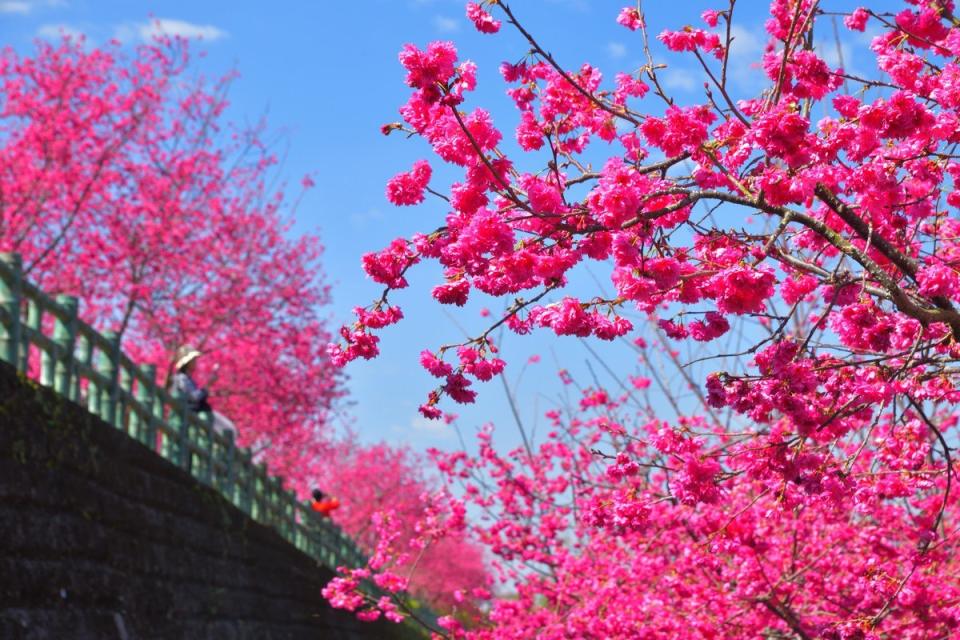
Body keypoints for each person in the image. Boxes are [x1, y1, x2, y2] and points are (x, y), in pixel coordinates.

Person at [172, 345, 236, 437]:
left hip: (196, 415)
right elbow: (194, 398)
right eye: (193, 360)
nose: (195, 362)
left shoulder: (187, 379)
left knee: (228, 429)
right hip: (191, 416)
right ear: (187, 362)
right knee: (228, 429)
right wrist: (208, 384)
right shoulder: (182, 379)